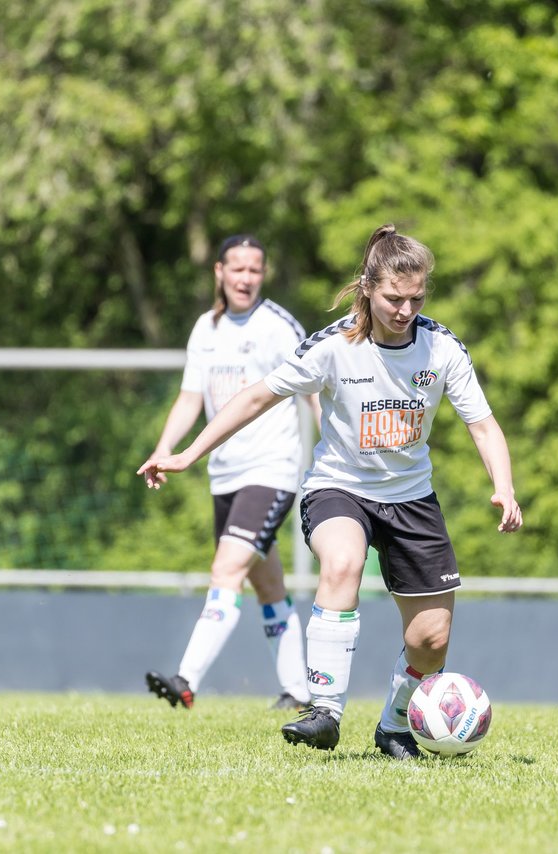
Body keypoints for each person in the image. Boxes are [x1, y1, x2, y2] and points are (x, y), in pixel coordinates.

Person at [138, 224, 523, 759]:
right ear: (368, 287)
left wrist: (503, 487)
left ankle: (392, 726)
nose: (405, 309)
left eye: (415, 298)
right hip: (338, 487)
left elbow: (483, 424)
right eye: (393, 298)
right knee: (340, 562)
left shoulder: (442, 348)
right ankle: (325, 710)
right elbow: (254, 399)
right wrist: (185, 454)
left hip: (412, 498)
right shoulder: (333, 346)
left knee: (430, 641)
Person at [143, 234, 320, 713]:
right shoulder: (206, 328)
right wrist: (165, 448)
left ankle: (186, 679)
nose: (246, 278)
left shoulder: (279, 326)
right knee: (268, 585)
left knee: (226, 571)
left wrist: (334, 451)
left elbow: (313, 393)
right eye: (237, 268)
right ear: (218, 271)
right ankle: (300, 692)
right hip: (224, 474)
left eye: (255, 270)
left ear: (263, 275)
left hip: (272, 469)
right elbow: (190, 398)